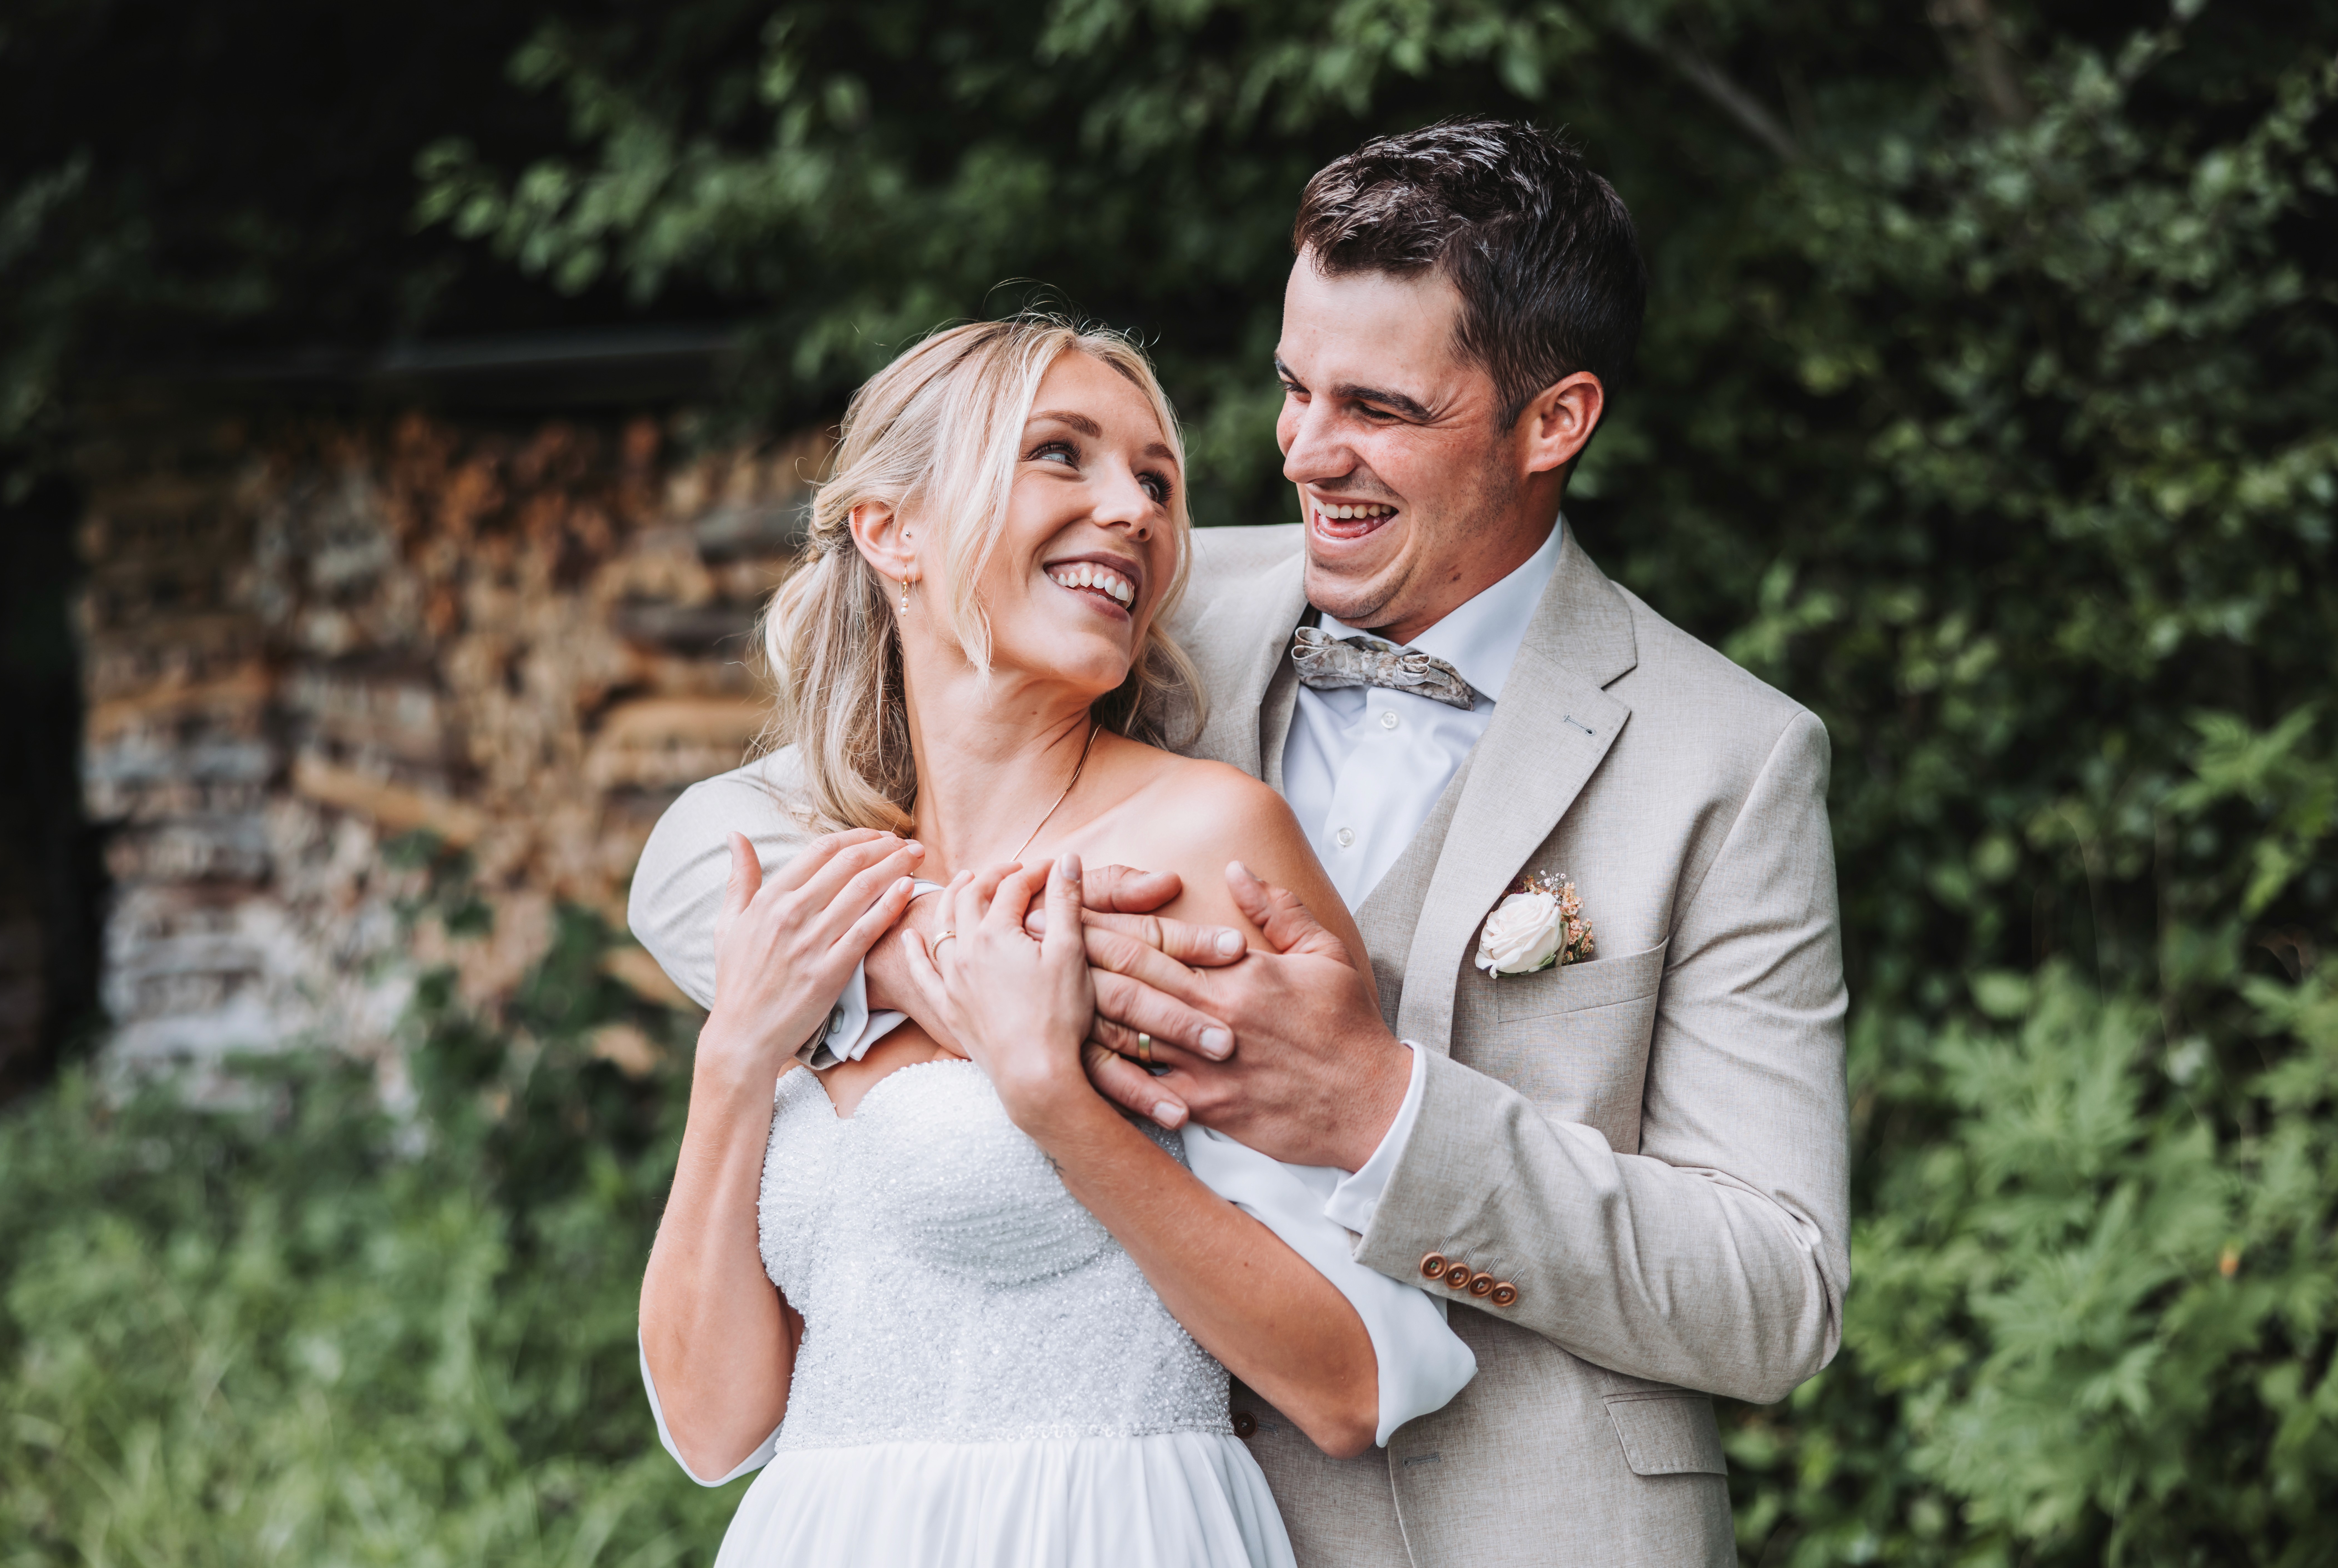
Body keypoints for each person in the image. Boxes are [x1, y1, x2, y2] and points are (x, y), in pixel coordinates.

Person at [637, 119, 1850, 1567]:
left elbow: (1774, 1292)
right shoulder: (1138, 610)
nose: (1301, 451)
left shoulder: (1726, 756)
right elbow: (711, 841)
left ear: (1553, 421)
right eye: (1291, 388)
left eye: (1379, 407)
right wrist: (937, 960)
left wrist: (1383, 1111)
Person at [632, 315, 1475, 1568]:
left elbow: (1349, 1379)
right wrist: (737, 1058)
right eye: (1060, 455)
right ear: (890, 529)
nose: (1131, 509)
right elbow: (714, 1427)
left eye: (1156, 481)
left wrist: (1051, 1100)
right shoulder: (814, 885)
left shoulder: (1199, 847)